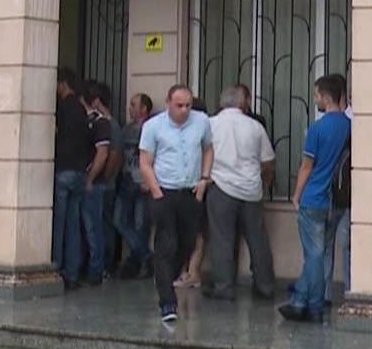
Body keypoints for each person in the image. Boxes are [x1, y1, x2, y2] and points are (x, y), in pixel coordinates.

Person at [138, 85, 212, 323]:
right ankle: (167, 302)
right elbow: (145, 161)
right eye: (179, 105)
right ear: (168, 103)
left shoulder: (201, 122)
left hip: (190, 191)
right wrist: (156, 190)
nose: (184, 110)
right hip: (164, 191)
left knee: (187, 243)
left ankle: (167, 277)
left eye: (188, 105)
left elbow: (208, 148)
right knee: (166, 244)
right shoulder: (153, 126)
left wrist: (204, 179)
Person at [280, 74, 351, 323]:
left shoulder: (317, 128)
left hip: (314, 198)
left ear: (325, 97)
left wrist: (296, 194)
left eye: (316, 95)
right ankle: (303, 301)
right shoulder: (350, 126)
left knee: (313, 255)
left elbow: (306, 166)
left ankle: (312, 304)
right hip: (337, 200)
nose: (315, 99)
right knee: (319, 253)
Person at [203, 85, 277, 302]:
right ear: (242, 102)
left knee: (222, 240)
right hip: (251, 190)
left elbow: (200, 154)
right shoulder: (255, 126)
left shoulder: (210, 125)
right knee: (258, 239)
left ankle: (224, 287)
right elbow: (268, 161)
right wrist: (263, 183)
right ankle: (265, 285)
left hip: (220, 187)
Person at [51, 69, 96, 289]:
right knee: (74, 224)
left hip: (63, 169)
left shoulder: (62, 108)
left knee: (59, 224)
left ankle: (56, 268)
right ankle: (72, 272)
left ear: (63, 84)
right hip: (79, 171)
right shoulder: (80, 108)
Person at [113, 93, 154, 278]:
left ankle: (139, 261)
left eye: (133, 105)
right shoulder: (127, 129)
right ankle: (145, 256)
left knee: (140, 225)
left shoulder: (151, 129)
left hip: (143, 184)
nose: (130, 109)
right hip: (127, 180)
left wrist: (150, 180)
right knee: (119, 221)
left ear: (144, 109)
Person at [81, 81, 117, 284]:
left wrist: (91, 179)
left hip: (95, 183)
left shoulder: (101, 123)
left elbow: (104, 154)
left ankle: (97, 269)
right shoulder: (94, 122)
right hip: (94, 181)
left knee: (94, 227)